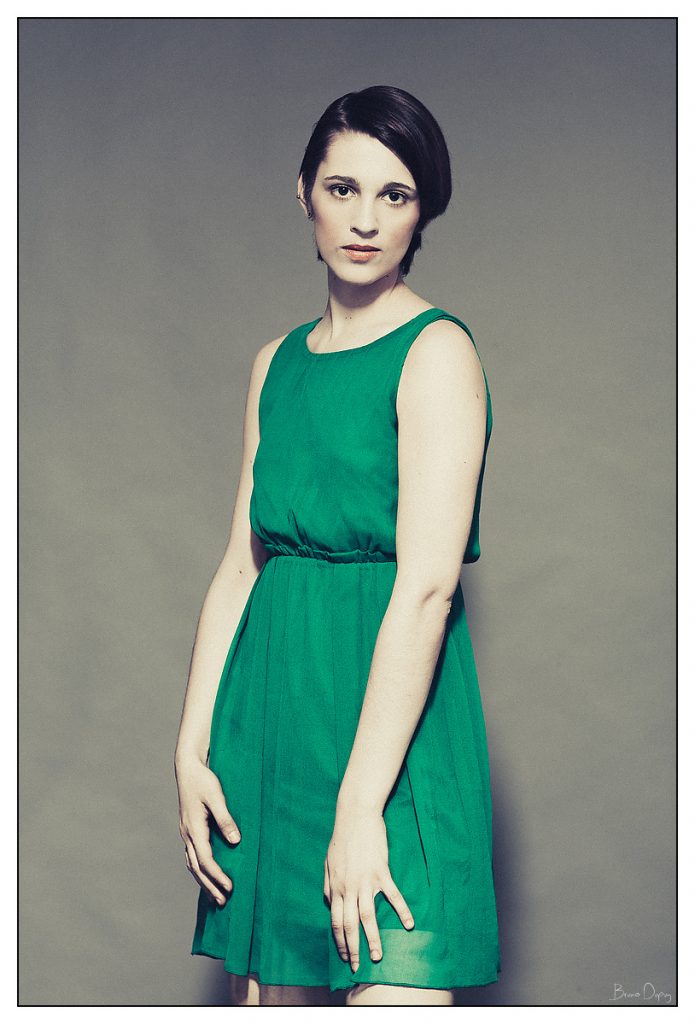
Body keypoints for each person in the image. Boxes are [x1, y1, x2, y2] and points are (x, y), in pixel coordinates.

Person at [175, 84, 501, 1007]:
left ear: (422, 211)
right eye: (342, 188)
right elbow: (241, 566)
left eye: (394, 195)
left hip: (390, 746)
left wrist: (361, 806)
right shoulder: (273, 364)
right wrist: (190, 749)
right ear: (304, 194)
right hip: (271, 734)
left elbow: (427, 589)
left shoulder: (436, 352)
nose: (364, 220)